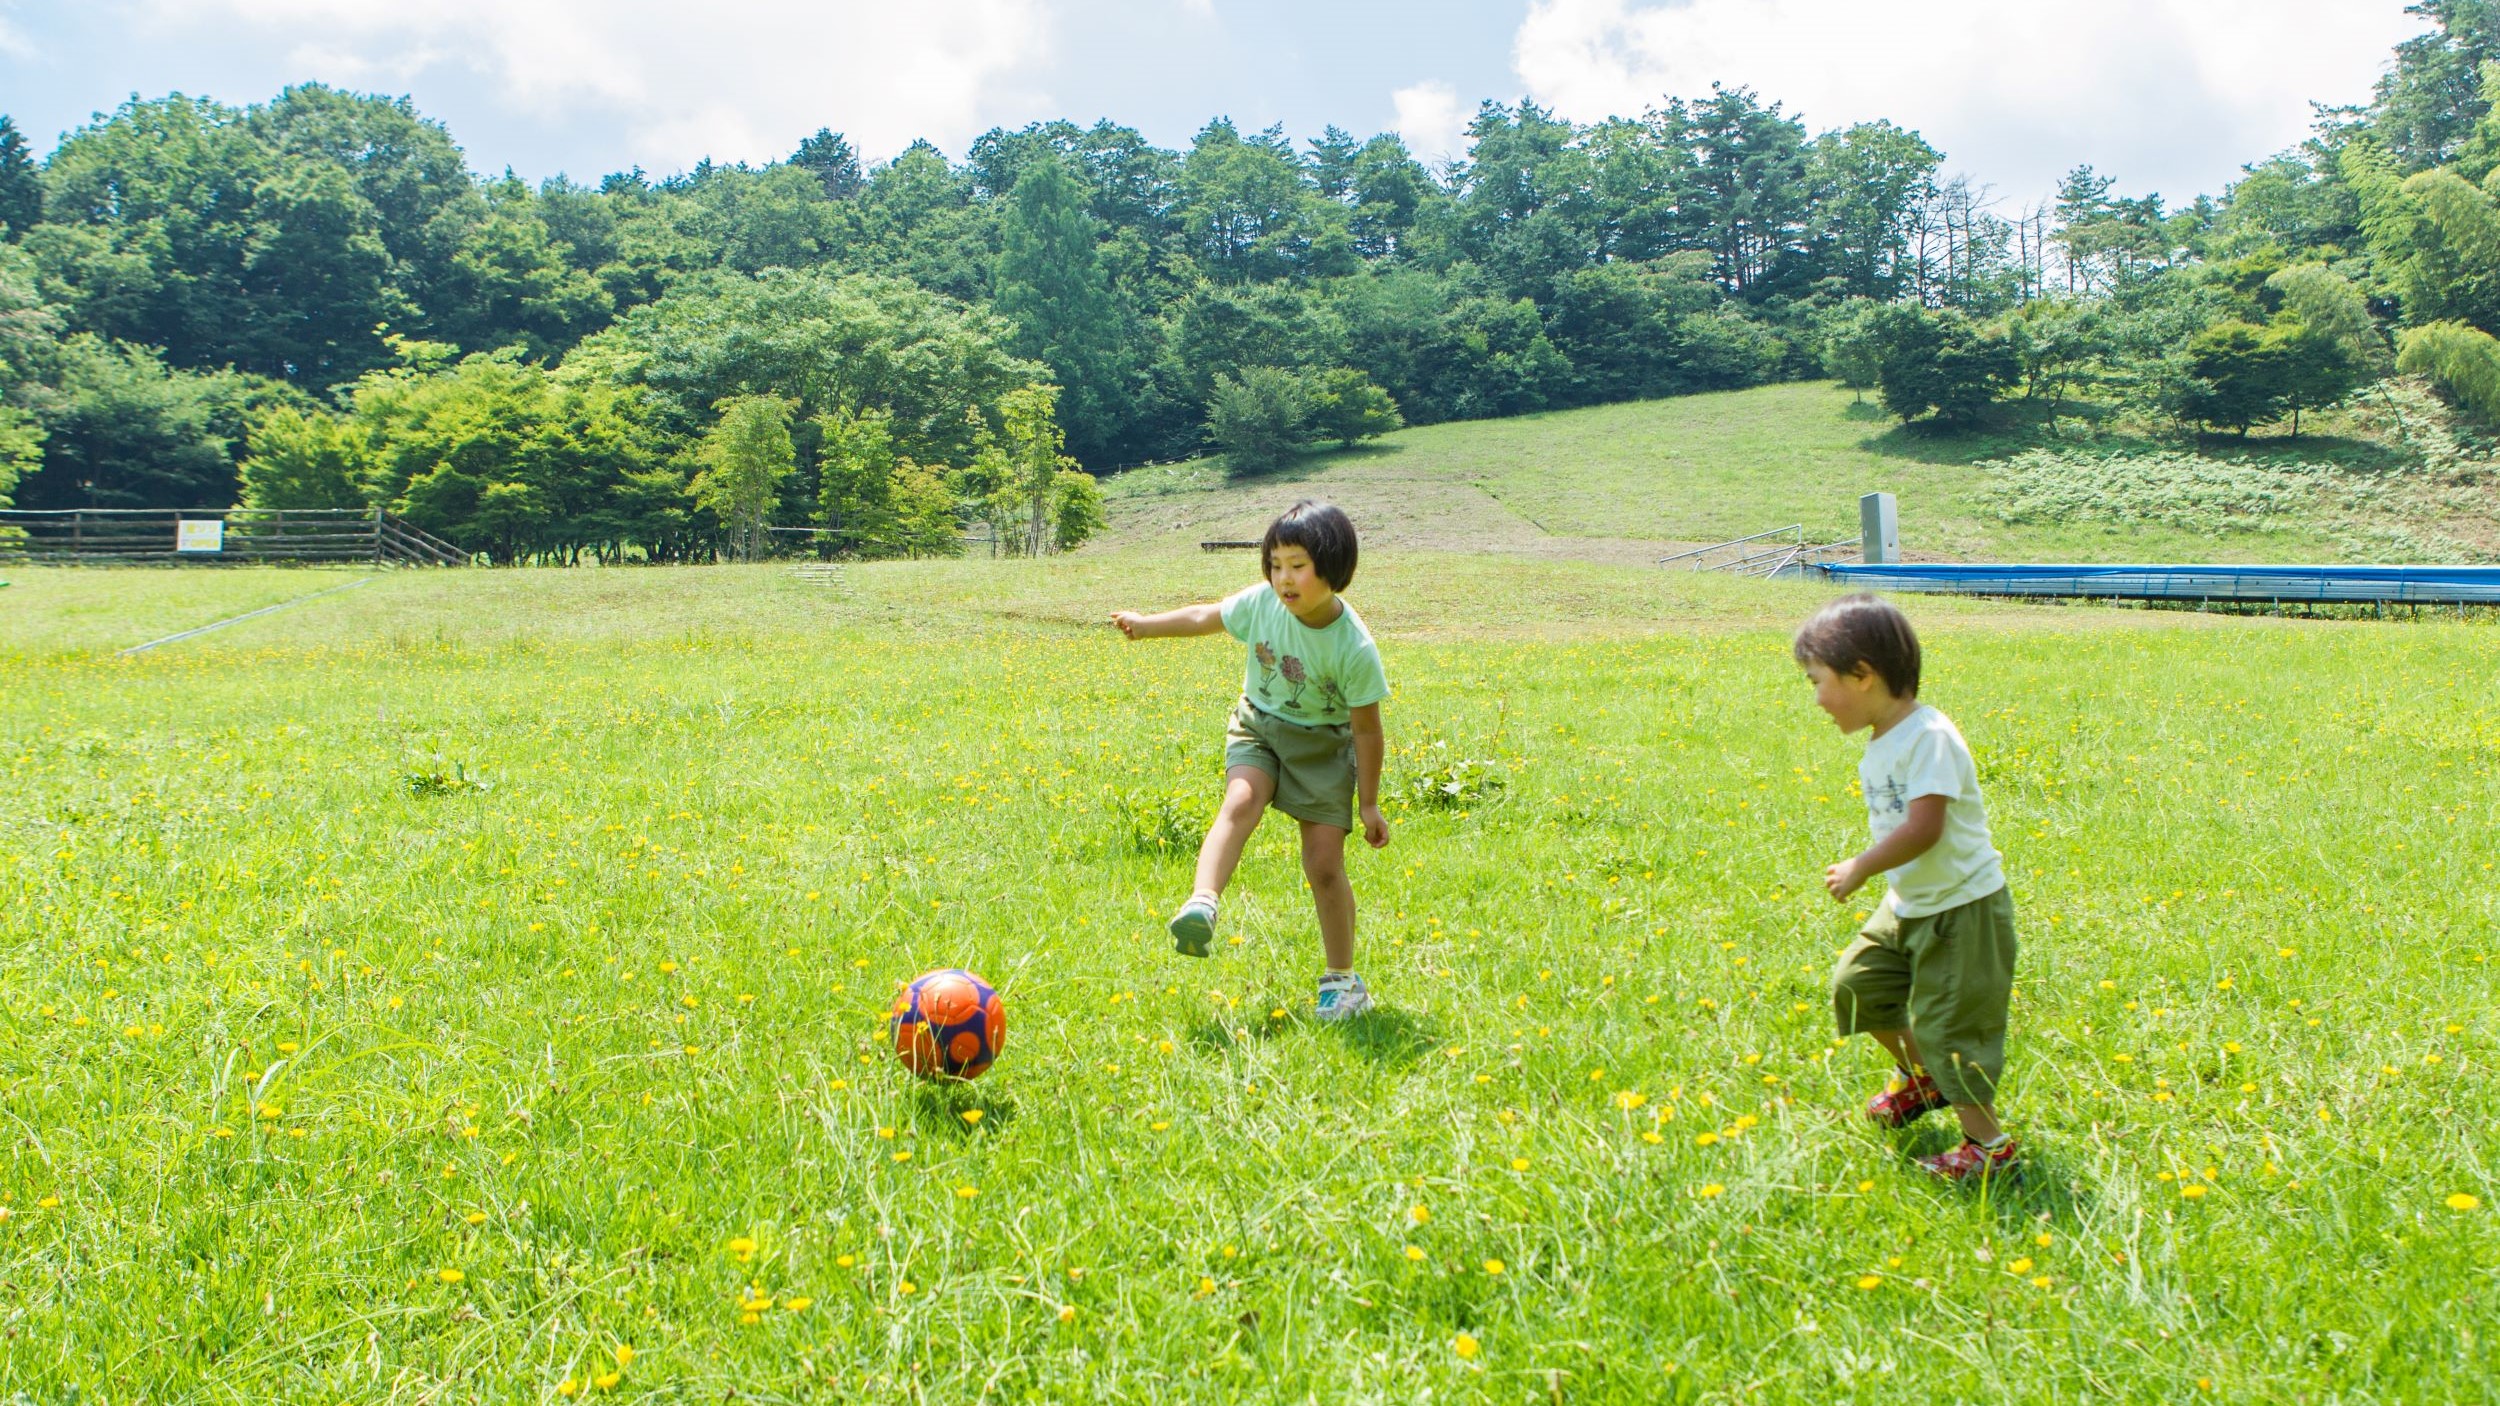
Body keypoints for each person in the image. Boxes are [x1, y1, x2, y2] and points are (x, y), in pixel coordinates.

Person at [1110, 500, 1390, 1021]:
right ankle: (1202, 902)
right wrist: (1146, 625)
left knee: (1324, 866)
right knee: (1240, 800)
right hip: (1259, 725)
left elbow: (1367, 729)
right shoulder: (1263, 603)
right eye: (1276, 563)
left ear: (1333, 567)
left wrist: (1369, 803)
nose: (1284, 578)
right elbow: (1205, 615)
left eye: (1298, 565)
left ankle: (1342, 982)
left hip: (1323, 747)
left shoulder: (1353, 646)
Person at [1796, 594, 2020, 1183]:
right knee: (1858, 986)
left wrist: (1863, 866)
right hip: (1912, 903)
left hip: (1962, 909)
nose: (1816, 699)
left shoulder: (1929, 737)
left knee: (1952, 1032)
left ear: (1863, 675)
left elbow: (1926, 827)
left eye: (1818, 681)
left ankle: (1989, 1147)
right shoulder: (1884, 738)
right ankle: (1923, 1081)